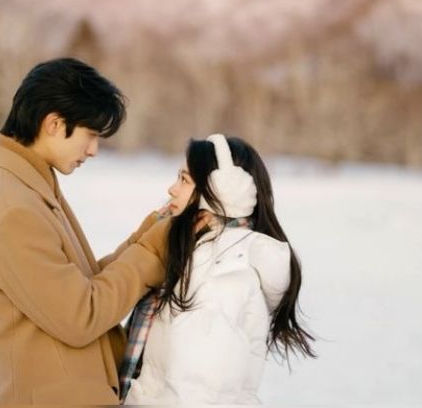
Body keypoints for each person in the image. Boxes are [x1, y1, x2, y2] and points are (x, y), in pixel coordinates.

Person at [0, 58, 169, 405]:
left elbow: (79, 288)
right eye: (91, 134)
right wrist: (151, 254)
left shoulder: (29, 187)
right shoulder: (14, 209)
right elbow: (80, 315)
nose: (93, 150)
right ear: (54, 124)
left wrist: (146, 238)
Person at [122, 134, 316, 404]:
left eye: (184, 180)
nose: (172, 189)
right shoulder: (198, 257)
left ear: (224, 191)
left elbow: (196, 392)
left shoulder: (222, 276)